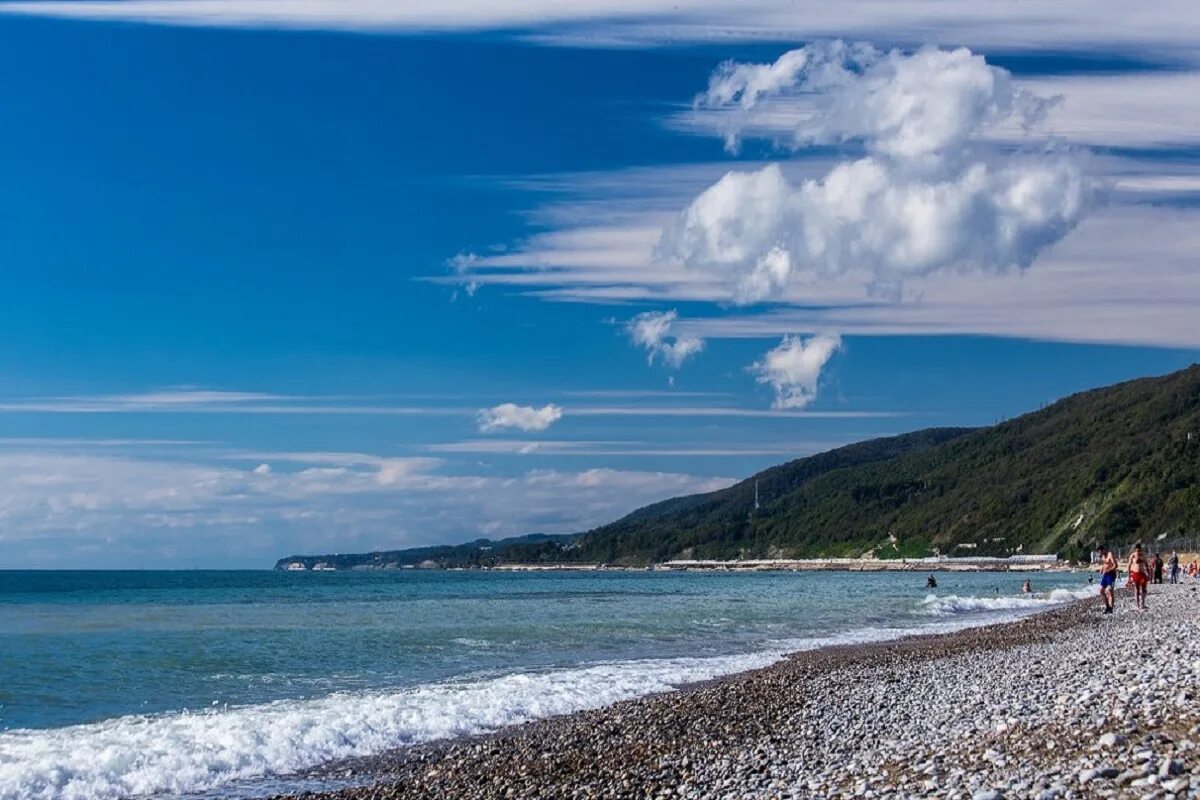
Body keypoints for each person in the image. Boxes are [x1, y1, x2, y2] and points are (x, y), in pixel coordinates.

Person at [1127, 543, 1150, 611]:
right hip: (1135, 574)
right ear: (1135, 550)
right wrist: (1129, 576)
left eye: (1139, 550)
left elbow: (1146, 565)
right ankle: (1137, 604)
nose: (1138, 552)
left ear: (1141, 550)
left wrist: (1148, 574)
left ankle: (1142, 603)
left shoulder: (1143, 555)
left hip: (1142, 574)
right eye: (1137, 550)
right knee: (1136, 589)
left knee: (1144, 588)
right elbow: (1129, 566)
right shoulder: (1133, 555)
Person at [1097, 545, 1118, 614]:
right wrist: (1102, 568)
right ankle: (1107, 607)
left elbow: (1116, 565)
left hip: (1111, 574)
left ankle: (1111, 608)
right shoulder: (1103, 556)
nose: (1100, 554)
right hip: (1105, 575)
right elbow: (1105, 563)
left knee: (1109, 590)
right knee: (1101, 590)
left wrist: (1108, 570)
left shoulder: (1110, 554)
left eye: (1100, 552)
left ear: (1103, 550)